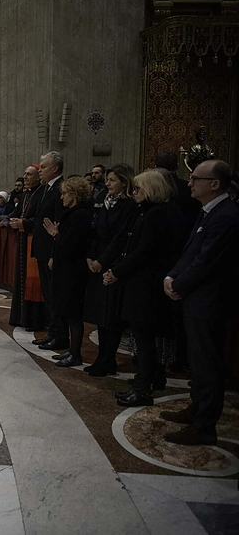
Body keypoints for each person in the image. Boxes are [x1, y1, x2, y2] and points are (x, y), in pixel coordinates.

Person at [162, 160, 239, 446]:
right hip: (195, 298)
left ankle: (204, 427)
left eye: (196, 178)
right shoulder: (209, 211)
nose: (190, 183)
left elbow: (208, 261)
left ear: (215, 184)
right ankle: (196, 409)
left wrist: (179, 285)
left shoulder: (226, 216)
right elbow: (191, 250)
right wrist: (172, 276)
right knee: (197, 361)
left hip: (210, 303)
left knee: (207, 365)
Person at [106, 170, 185, 407]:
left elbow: (143, 252)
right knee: (148, 335)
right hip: (151, 283)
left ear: (151, 189)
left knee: (144, 338)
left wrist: (116, 271)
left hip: (145, 285)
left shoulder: (155, 215)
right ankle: (154, 377)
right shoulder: (163, 212)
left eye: (138, 189)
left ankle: (142, 388)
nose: (134, 192)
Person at [83, 164, 139, 377]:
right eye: (107, 179)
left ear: (125, 182)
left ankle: (108, 358)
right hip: (98, 262)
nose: (107, 183)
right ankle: (102, 357)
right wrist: (90, 256)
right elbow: (96, 232)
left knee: (111, 317)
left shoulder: (129, 206)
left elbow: (121, 238)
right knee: (101, 315)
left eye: (112, 180)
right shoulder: (104, 203)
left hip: (113, 266)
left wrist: (103, 262)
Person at [42, 176, 94, 367]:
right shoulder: (70, 213)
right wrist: (53, 256)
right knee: (66, 309)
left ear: (74, 194)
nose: (62, 197)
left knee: (74, 313)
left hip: (74, 270)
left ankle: (76, 353)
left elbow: (72, 244)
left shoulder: (80, 215)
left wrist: (55, 234)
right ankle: (71, 350)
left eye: (64, 193)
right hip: (65, 268)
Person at [32, 151, 68, 352]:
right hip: (43, 250)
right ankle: (53, 332)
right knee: (48, 293)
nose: (40, 171)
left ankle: (60, 335)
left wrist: (54, 253)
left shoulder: (60, 190)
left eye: (43, 167)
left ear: (55, 168)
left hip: (52, 251)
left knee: (55, 295)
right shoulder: (46, 189)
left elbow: (58, 223)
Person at [8, 164, 46, 331]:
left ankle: (34, 320)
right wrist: (11, 221)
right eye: (25, 174)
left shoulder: (42, 193)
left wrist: (22, 223)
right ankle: (20, 317)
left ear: (38, 176)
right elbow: (17, 213)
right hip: (23, 240)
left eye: (29, 174)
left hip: (33, 240)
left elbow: (41, 219)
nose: (25, 177)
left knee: (33, 281)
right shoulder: (25, 194)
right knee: (21, 279)